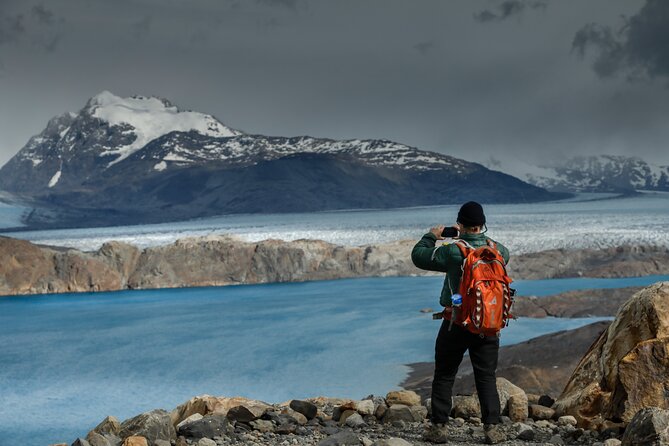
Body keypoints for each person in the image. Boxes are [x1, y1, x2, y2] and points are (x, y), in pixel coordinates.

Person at [411, 201, 510, 444]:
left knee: (445, 374)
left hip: (456, 322)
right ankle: (492, 429)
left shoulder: (453, 251)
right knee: (486, 376)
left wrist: (431, 236)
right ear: (483, 225)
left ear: (461, 224)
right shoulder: (499, 251)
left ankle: (439, 428)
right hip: (488, 323)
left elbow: (419, 256)